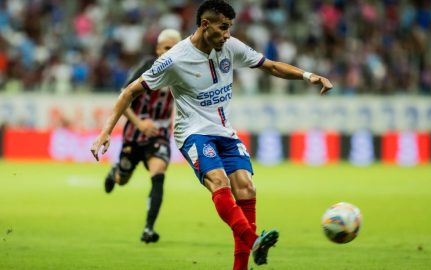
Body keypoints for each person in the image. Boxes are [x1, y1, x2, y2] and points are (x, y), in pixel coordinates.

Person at [91, 0, 333, 268]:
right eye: (223, 27)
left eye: (230, 28)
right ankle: (254, 241)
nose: (228, 34)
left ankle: (242, 264)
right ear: (205, 25)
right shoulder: (175, 59)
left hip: (225, 132)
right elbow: (129, 91)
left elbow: (271, 66)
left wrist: (308, 76)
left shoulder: (230, 47)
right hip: (193, 134)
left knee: (246, 186)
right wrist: (105, 132)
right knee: (219, 182)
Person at [103, 29, 182, 244]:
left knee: (159, 173)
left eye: (176, 48)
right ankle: (115, 173)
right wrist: (140, 123)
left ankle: (149, 228)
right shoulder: (147, 68)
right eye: (167, 48)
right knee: (122, 179)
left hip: (160, 135)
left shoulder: (183, 69)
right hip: (134, 134)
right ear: (158, 49)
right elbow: (123, 98)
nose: (171, 52)